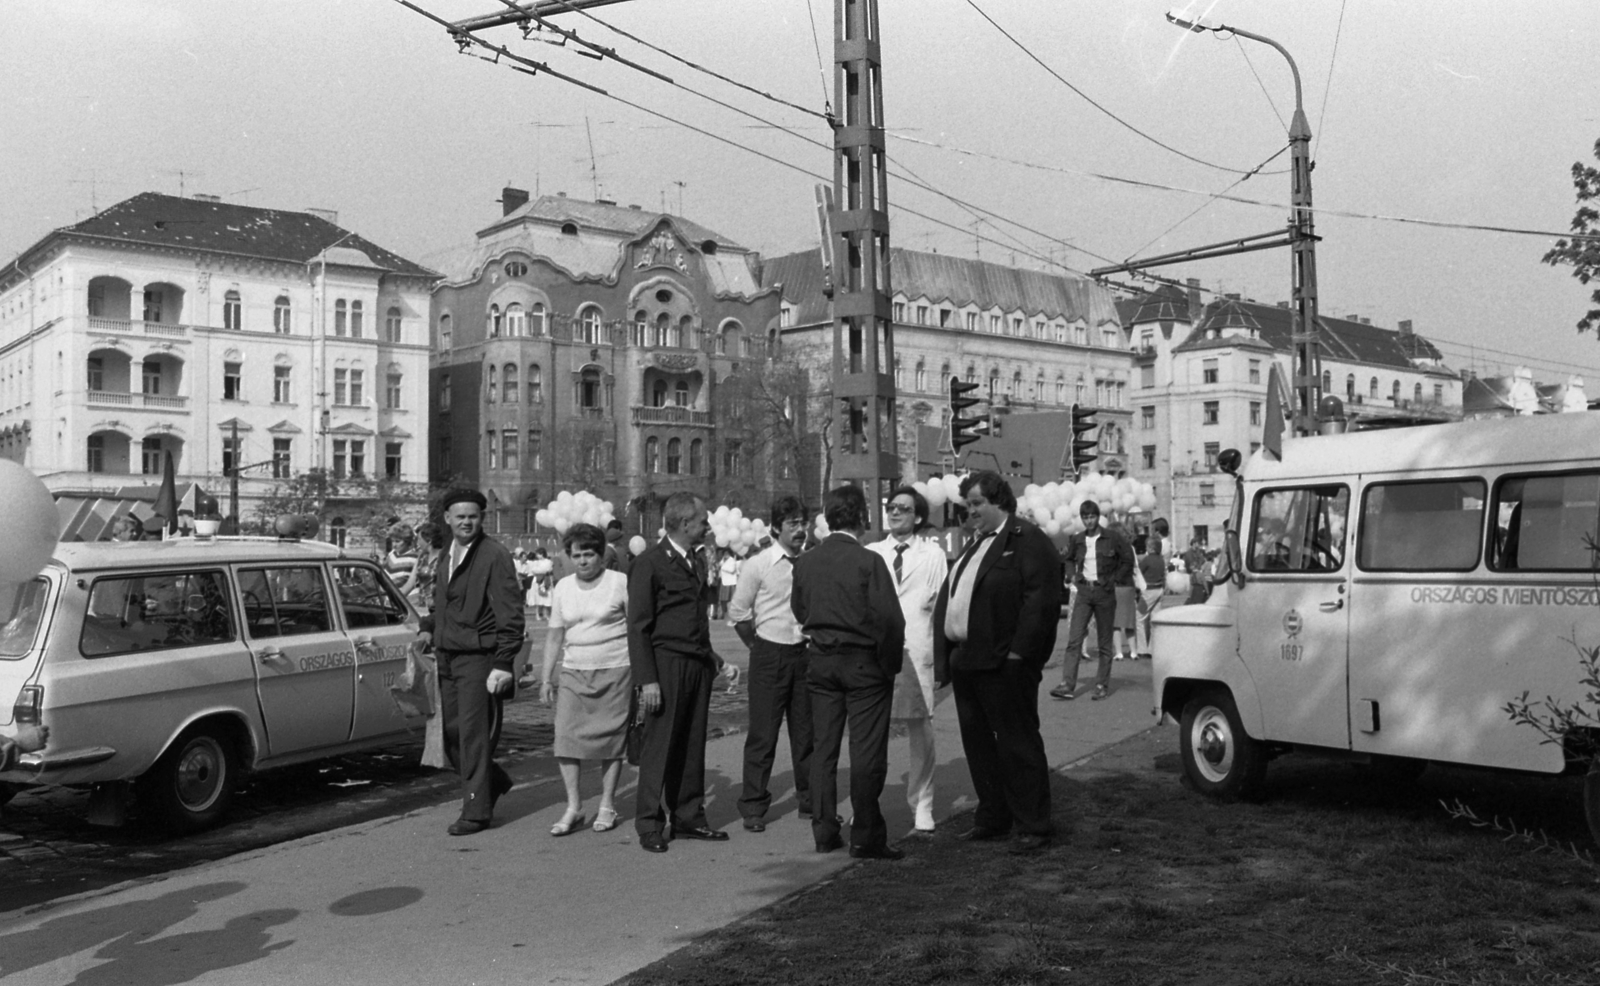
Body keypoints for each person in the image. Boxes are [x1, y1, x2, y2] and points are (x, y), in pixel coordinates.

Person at [933, 471, 1062, 853]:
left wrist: (1019, 656)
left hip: (1005, 664)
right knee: (979, 746)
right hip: (969, 660)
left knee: (1016, 744)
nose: (970, 512)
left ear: (1000, 501)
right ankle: (993, 816)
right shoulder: (975, 544)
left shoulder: (1027, 540)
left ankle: (1033, 825)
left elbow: (1040, 603)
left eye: (976, 504)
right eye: (966, 505)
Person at [791, 484, 906, 860]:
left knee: (823, 748)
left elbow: (799, 608)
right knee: (866, 750)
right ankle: (866, 835)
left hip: (821, 660)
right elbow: (889, 619)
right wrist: (889, 665)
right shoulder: (868, 561)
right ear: (860, 517)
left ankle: (824, 830)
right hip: (863, 663)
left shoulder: (806, 561)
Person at [627, 492, 731, 853]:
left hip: (695, 665)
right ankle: (649, 824)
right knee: (660, 747)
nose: (708, 527)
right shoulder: (651, 563)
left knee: (691, 744)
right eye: (703, 521)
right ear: (685, 523)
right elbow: (638, 625)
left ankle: (688, 817)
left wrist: (712, 658)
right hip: (665, 665)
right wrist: (647, 679)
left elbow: (694, 619)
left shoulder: (696, 560)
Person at [418, 489, 524, 836]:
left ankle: (476, 811)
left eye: (473, 516)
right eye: (459, 516)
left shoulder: (495, 556)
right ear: (447, 519)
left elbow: (510, 614)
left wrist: (504, 663)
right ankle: (492, 780)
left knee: (473, 736)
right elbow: (444, 604)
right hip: (447, 655)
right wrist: (427, 629)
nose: (466, 522)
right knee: (450, 732)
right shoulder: (448, 555)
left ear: (482, 517)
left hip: (479, 658)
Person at [539, 523, 631, 837]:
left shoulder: (620, 582)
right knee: (565, 738)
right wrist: (545, 678)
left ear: (601, 554)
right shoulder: (562, 587)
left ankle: (607, 804)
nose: (582, 561)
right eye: (576, 555)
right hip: (574, 670)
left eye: (589, 554)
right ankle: (574, 806)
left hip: (615, 670)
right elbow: (554, 634)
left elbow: (637, 628)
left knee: (611, 740)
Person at [868, 485, 949, 835]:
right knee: (872, 732)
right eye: (891, 507)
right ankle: (867, 806)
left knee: (921, 731)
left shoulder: (932, 554)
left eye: (903, 508)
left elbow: (939, 606)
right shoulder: (872, 552)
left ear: (917, 516)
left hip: (917, 650)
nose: (895, 512)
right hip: (878, 653)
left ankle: (922, 805)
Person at [728, 495, 812, 833]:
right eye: (793, 524)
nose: (800, 530)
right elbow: (738, 613)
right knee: (763, 735)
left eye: (803, 523)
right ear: (776, 527)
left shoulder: (809, 563)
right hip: (768, 654)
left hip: (804, 656)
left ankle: (810, 800)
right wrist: (756, 644)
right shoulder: (758, 565)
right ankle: (753, 807)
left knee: (807, 734)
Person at [1054, 500, 1135, 701]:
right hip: (1083, 591)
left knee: (1104, 642)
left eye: (1091, 517)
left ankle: (1101, 684)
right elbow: (1069, 559)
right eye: (1085, 517)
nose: (1089, 521)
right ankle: (1067, 684)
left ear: (1098, 517)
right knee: (1074, 639)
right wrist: (1072, 575)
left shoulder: (1112, 538)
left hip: (1104, 592)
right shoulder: (1077, 539)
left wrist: (1115, 579)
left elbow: (1127, 559)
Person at [408, 521, 449, 769]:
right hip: (421, 610)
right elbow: (411, 583)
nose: (418, 543)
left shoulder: (443, 559)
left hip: (437, 612)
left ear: (429, 539)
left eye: (420, 539)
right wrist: (393, 598)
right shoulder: (421, 558)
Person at [1135, 535, 1166, 659]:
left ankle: (1142, 649)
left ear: (1151, 548)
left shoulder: (1147, 559)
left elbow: (1138, 572)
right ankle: (1152, 649)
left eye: (1147, 546)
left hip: (1149, 590)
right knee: (1154, 619)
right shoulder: (1161, 559)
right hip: (1159, 589)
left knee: (1139, 618)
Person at [528, 547, 554, 622]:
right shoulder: (536, 562)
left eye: (538, 554)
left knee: (547, 598)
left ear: (542, 554)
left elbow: (547, 569)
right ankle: (538, 614)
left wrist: (538, 570)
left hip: (546, 581)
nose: (537, 556)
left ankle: (547, 614)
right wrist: (538, 571)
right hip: (537, 581)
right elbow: (532, 570)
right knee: (538, 599)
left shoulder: (548, 561)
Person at [714, 550, 740, 621]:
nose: (725, 555)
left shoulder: (732, 560)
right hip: (724, 582)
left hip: (730, 583)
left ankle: (732, 614)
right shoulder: (723, 560)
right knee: (723, 600)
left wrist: (722, 567)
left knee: (731, 599)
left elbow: (732, 570)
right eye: (724, 554)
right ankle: (724, 614)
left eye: (727, 554)